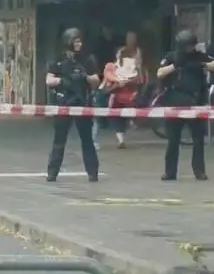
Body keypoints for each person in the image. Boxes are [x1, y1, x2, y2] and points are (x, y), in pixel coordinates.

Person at [156, 29, 214, 181]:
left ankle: (199, 170)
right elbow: (160, 73)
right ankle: (170, 172)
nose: (191, 48)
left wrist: (202, 65)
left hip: (195, 101)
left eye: (192, 45)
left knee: (198, 139)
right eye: (188, 46)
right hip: (176, 101)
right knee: (173, 139)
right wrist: (175, 66)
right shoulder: (172, 56)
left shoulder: (199, 56)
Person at [45, 28, 100, 182]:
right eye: (75, 41)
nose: (79, 44)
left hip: (82, 102)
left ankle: (93, 172)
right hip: (64, 102)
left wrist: (85, 77)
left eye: (80, 41)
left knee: (87, 139)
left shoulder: (87, 59)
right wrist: (62, 81)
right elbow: (49, 80)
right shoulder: (58, 59)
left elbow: (96, 80)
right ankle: (52, 172)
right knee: (59, 140)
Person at [102, 30, 144, 149]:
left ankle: (129, 123)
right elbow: (110, 75)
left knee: (123, 113)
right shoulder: (120, 53)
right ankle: (121, 140)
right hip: (119, 91)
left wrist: (129, 81)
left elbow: (139, 75)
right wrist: (117, 82)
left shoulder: (137, 53)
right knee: (116, 115)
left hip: (128, 90)